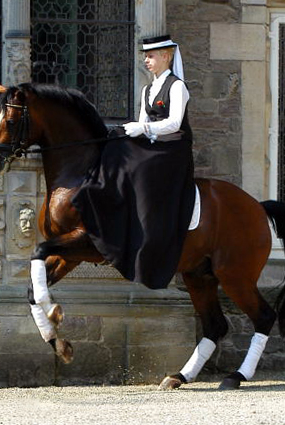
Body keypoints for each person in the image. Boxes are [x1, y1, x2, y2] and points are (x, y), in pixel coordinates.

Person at [73, 34, 195, 290]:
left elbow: (174, 123)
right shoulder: (147, 89)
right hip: (154, 142)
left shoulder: (176, 86)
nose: (147, 61)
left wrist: (143, 129)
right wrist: (133, 131)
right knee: (117, 145)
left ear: (166, 56)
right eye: (146, 56)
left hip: (173, 148)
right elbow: (143, 120)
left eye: (150, 56)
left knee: (140, 166)